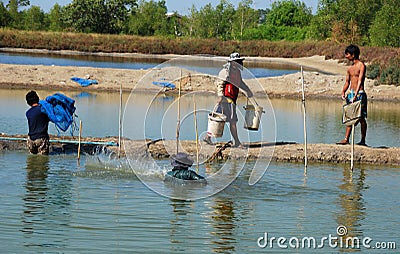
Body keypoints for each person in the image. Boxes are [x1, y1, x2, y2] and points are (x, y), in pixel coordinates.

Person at [203, 52, 257, 148]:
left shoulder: (237, 72)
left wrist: (247, 90)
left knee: (225, 120)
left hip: (232, 99)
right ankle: (236, 142)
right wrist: (220, 95)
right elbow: (220, 83)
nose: (238, 63)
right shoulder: (225, 72)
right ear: (232, 62)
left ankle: (208, 137)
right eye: (236, 61)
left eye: (238, 61)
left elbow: (240, 83)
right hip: (226, 99)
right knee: (231, 121)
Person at [336, 45, 368, 146]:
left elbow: (360, 80)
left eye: (347, 54)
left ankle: (363, 140)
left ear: (353, 55)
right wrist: (343, 92)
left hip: (360, 94)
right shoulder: (350, 69)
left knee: (361, 117)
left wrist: (356, 93)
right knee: (349, 117)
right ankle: (346, 139)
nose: (346, 56)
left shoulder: (361, 65)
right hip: (351, 94)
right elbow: (347, 82)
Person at [25, 90, 50, 155]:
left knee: (31, 162)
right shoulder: (43, 110)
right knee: (42, 161)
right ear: (37, 99)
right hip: (41, 138)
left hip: (30, 139)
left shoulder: (28, 113)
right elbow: (51, 117)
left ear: (28, 102)